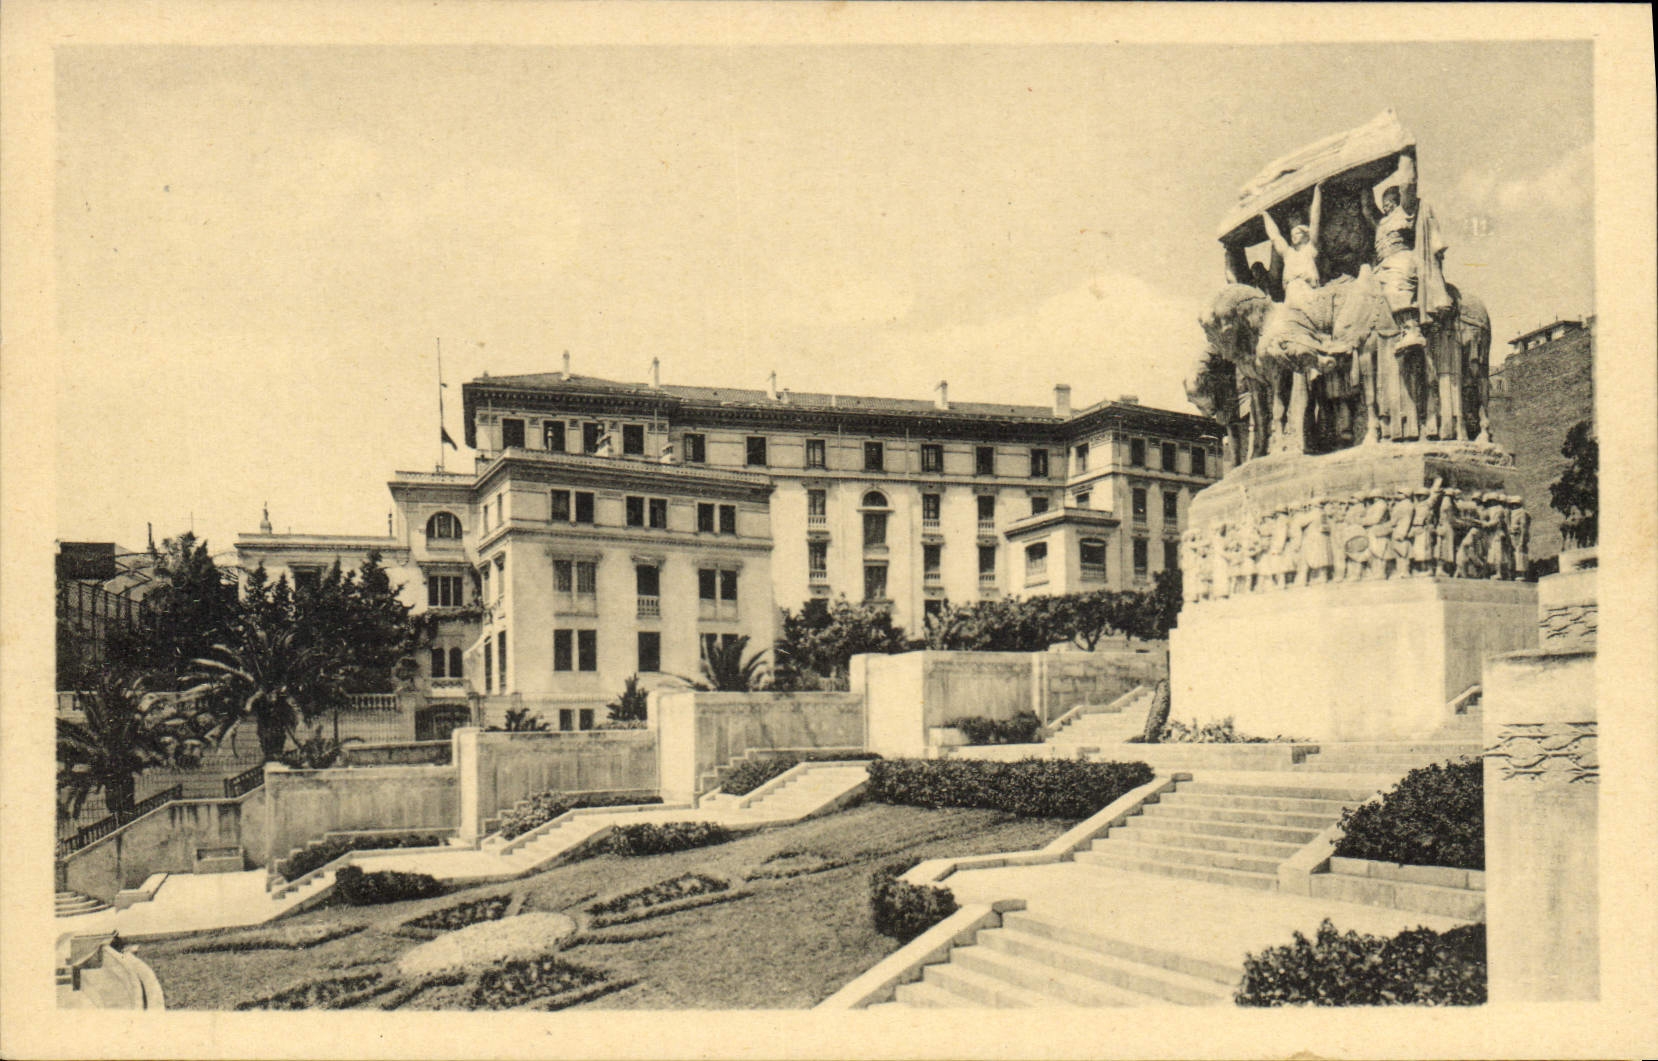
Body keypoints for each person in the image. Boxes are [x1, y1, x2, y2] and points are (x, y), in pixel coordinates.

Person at [1262, 182, 1323, 312]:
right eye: (1292, 233)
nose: (1293, 236)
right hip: (1290, 303)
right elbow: (1275, 237)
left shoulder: (1311, 250)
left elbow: (1315, 220)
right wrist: (1264, 214)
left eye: (1297, 233)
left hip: (1310, 301)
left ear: (1306, 234)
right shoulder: (1288, 254)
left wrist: (1317, 192)